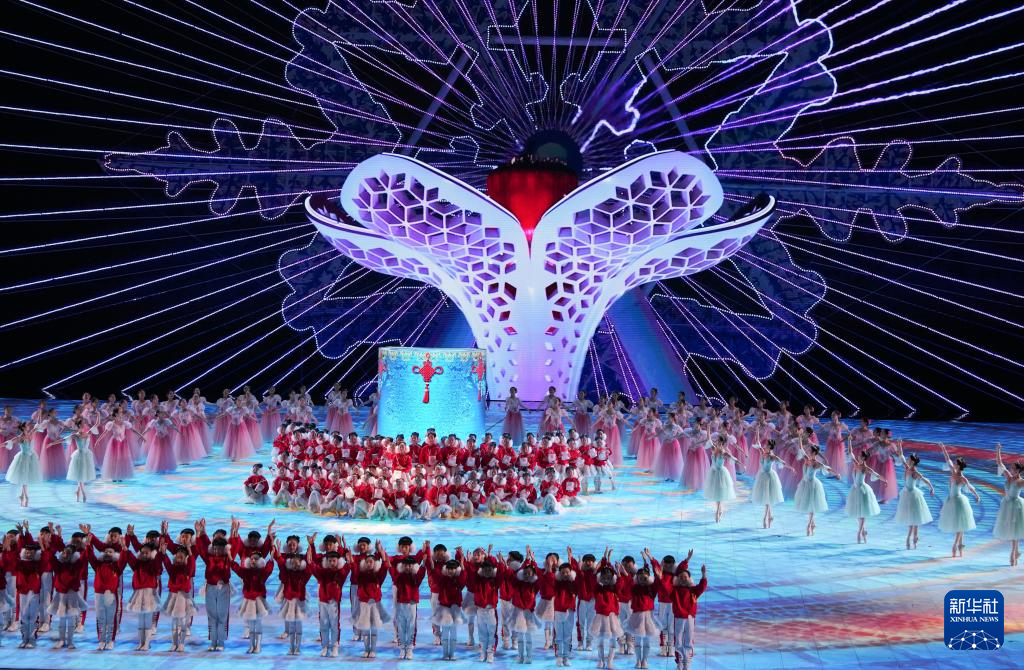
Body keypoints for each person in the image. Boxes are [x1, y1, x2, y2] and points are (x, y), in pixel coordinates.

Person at [937, 443, 981, 558]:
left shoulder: (962, 478)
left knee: (960, 525)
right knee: (960, 524)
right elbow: (947, 459)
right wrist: (943, 448)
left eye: (955, 463)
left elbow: (970, 487)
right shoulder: (953, 472)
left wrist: (977, 495)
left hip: (958, 501)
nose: (954, 464)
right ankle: (961, 545)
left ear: (959, 466)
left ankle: (955, 545)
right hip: (951, 500)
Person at [122, 537, 164, 651]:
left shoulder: (153, 563)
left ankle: (147, 643)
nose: (144, 554)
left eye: (147, 553)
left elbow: (158, 564)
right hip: (139, 593)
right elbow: (130, 558)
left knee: (147, 620)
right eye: (142, 553)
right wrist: (125, 548)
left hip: (149, 593)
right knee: (141, 620)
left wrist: (161, 552)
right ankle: (141, 642)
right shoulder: (137, 564)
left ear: (151, 553)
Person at [894, 442, 935, 550]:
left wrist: (931, 487)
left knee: (915, 519)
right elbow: (901, 457)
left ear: (912, 461)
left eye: (909, 459)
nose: (907, 459)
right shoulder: (907, 468)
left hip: (913, 495)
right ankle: (911, 538)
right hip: (907, 494)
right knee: (912, 518)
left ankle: (913, 538)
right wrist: (899, 445)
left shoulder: (914, 471)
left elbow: (924, 479)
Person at [794, 442, 839, 537]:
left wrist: (837, 474)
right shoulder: (806, 459)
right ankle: (813, 524)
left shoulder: (816, 463)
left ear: (814, 453)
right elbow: (801, 448)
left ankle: (809, 525)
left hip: (813, 485)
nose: (808, 452)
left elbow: (827, 469)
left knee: (812, 505)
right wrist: (800, 437)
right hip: (805, 484)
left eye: (809, 451)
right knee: (808, 504)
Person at [994, 443, 1024, 566]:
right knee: (1012, 530)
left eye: (1014, 469)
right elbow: (999, 463)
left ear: (1019, 470)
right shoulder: (1009, 477)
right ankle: (1016, 552)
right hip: (1007, 505)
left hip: (1016, 506)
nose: (1012, 470)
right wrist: (998, 450)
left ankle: (1013, 553)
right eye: (1011, 468)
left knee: (1015, 529)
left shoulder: (1021, 481)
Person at [845, 447, 882, 544]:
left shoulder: (865, 468)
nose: (858, 457)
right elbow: (851, 453)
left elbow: (875, 474)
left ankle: (859, 532)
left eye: (860, 456)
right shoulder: (856, 464)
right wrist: (849, 441)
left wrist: (884, 480)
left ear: (863, 458)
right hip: (855, 489)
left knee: (862, 512)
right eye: (858, 456)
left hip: (862, 490)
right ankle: (863, 530)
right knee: (858, 512)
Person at [751, 440, 791, 529]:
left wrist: (791, 468)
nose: (764, 445)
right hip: (762, 476)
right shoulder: (763, 452)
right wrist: (757, 432)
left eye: (766, 445)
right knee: (767, 498)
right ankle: (770, 516)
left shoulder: (772, 456)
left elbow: (782, 462)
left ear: (770, 447)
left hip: (769, 477)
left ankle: (765, 518)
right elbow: (758, 443)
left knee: (767, 499)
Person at [703, 435, 739, 523]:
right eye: (717, 441)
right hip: (713, 473)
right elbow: (709, 440)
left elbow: (733, 458)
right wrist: (708, 429)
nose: (717, 442)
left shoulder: (723, 452)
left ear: (722, 442)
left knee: (719, 492)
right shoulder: (714, 449)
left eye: (718, 441)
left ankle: (717, 512)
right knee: (716, 493)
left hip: (721, 473)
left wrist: (742, 465)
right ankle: (719, 510)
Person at [5, 423, 42, 507]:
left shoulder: (31, 433)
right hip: (23, 458)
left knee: (26, 478)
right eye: (27, 426)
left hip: (31, 457)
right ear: (23, 428)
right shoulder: (20, 437)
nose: (28, 427)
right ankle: (26, 497)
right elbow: (9, 442)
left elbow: (37, 426)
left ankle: (22, 496)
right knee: (24, 478)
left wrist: (40, 416)